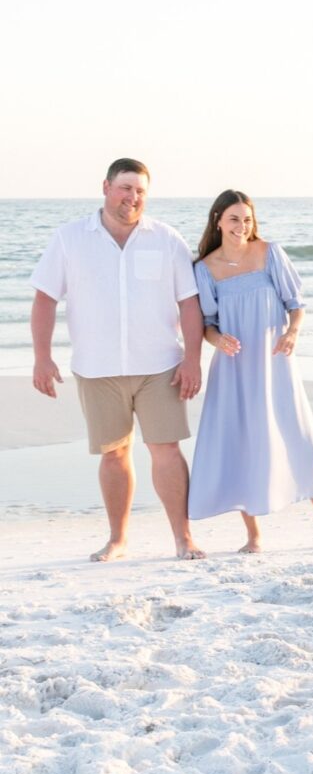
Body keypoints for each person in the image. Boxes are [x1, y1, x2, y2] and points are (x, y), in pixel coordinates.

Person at [30, 158, 206, 562]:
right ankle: (118, 540)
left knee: (166, 450)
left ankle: (183, 538)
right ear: (106, 187)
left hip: (160, 366)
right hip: (97, 367)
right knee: (113, 454)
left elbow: (189, 304)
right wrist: (42, 358)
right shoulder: (70, 239)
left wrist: (193, 360)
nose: (133, 197)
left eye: (141, 190)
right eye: (126, 188)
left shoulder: (166, 239)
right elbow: (44, 299)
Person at [187, 189, 313, 551]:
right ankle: (253, 536)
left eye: (247, 219)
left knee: (299, 436)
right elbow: (207, 324)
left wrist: (292, 332)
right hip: (234, 368)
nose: (242, 226)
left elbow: (296, 304)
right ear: (218, 219)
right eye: (234, 219)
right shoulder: (204, 269)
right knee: (242, 441)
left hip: (274, 362)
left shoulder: (270, 253)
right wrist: (217, 340)